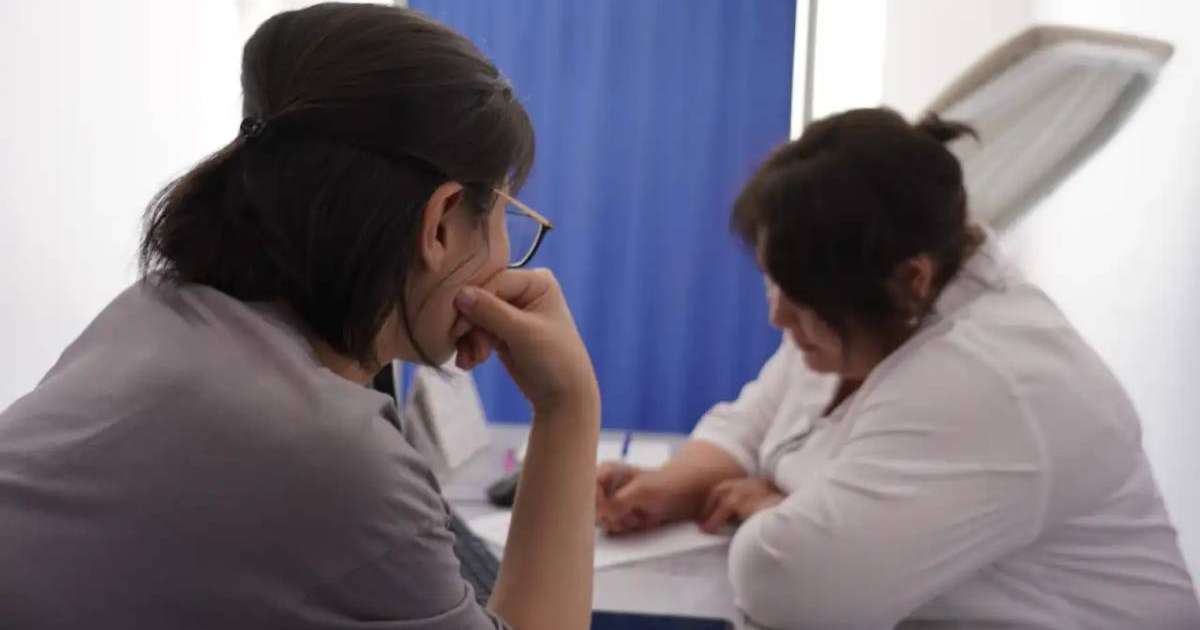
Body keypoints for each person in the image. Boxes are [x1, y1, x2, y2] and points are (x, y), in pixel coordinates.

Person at [0, 5, 600, 630]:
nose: (506, 253)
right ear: (443, 222)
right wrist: (569, 406)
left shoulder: (154, 310)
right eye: (506, 214)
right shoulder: (335, 458)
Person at [596, 108, 1200, 629]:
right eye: (773, 284)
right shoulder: (863, 308)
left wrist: (782, 508)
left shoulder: (990, 377)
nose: (779, 317)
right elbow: (756, 419)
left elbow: (790, 581)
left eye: (799, 300)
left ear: (910, 278)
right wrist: (675, 485)